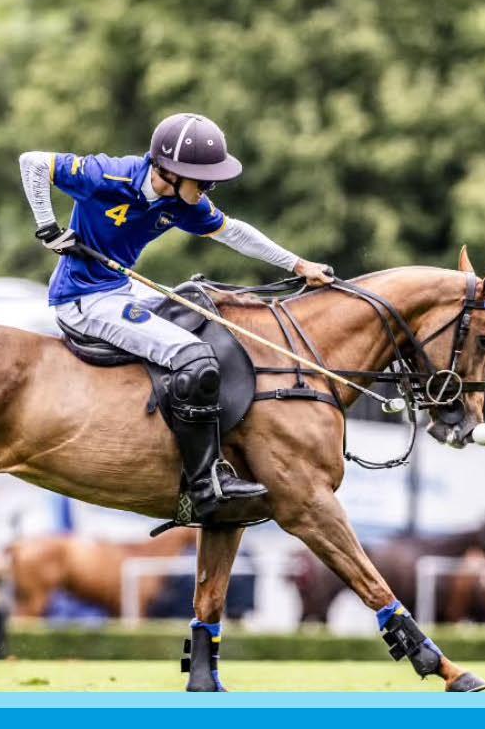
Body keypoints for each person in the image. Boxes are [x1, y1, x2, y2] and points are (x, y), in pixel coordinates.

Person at [19, 112, 333, 524]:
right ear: (169, 172)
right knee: (194, 356)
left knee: (205, 313)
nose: (208, 190)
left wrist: (297, 265)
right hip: (83, 300)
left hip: (119, 291)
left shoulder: (183, 203)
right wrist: (48, 227)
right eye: (204, 181)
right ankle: (204, 485)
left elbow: (235, 232)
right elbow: (33, 162)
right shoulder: (107, 175)